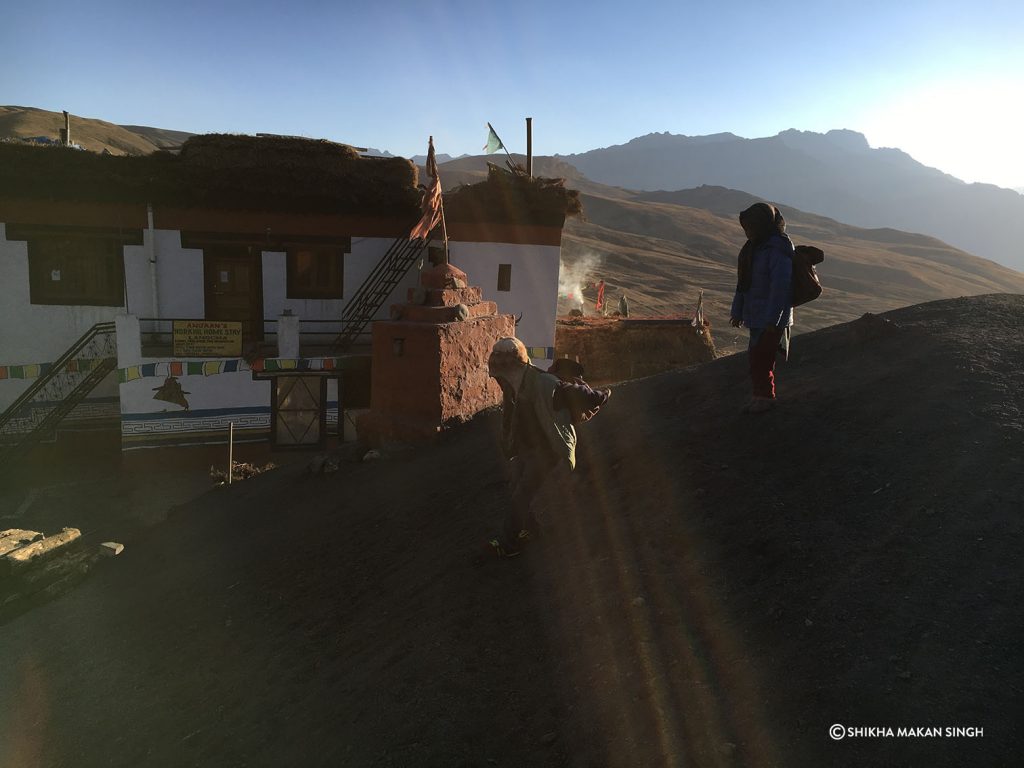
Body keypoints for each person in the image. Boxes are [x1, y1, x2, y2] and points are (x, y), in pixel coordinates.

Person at [485, 337, 577, 558]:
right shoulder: (513, 386)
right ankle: (531, 530)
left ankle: (510, 542)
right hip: (527, 448)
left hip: (545, 449)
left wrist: (565, 451)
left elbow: (561, 419)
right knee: (516, 488)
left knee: (522, 494)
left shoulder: (544, 383)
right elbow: (513, 417)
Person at [730, 202, 794, 413]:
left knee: (762, 359)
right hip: (756, 316)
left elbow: (780, 289)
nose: (747, 232)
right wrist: (737, 312)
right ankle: (760, 396)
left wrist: (773, 320)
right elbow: (743, 285)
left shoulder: (777, 251)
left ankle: (765, 398)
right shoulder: (752, 250)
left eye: (751, 227)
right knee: (755, 359)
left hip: (771, 319)